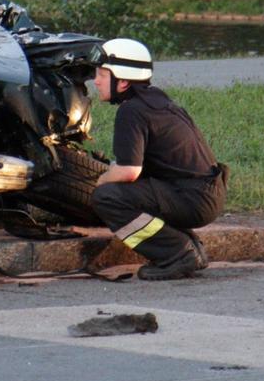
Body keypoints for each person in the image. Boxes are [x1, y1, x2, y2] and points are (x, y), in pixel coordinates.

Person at [90, 38, 228, 280]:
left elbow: (129, 171)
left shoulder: (131, 111)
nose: (96, 80)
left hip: (192, 199)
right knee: (126, 191)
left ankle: (176, 253)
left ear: (122, 82)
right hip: (204, 195)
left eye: (102, 74)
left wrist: (101, 179)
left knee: (107, 197)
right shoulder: (157, 101)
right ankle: (189, 247)